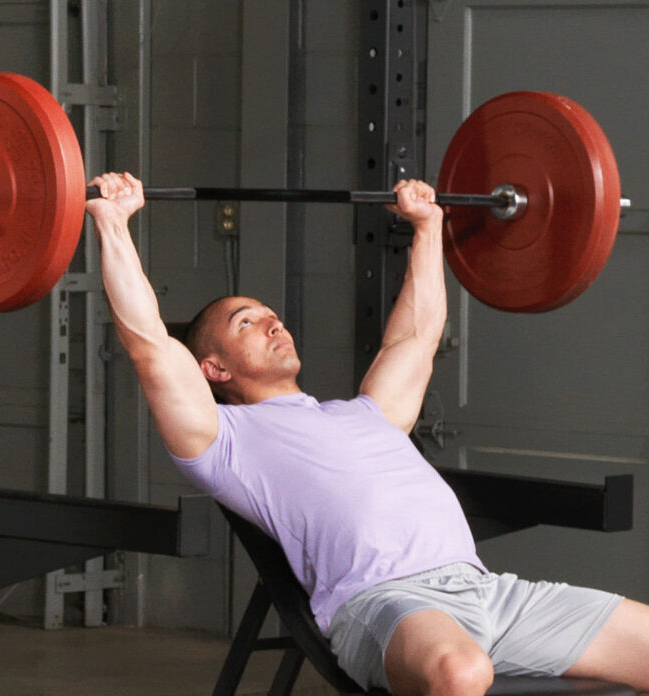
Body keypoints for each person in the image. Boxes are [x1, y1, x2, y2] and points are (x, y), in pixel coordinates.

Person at [85, 171, 649, 696]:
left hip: (487, 591)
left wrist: (428, 229)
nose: (272, 321)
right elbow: (151, 346)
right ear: (214, 369)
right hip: (385, 606)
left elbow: (417, 337)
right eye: (247, 323)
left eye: (268, 312)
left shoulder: (365, 414)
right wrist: (113, 221)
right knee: (461, 670)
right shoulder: (222, 440)